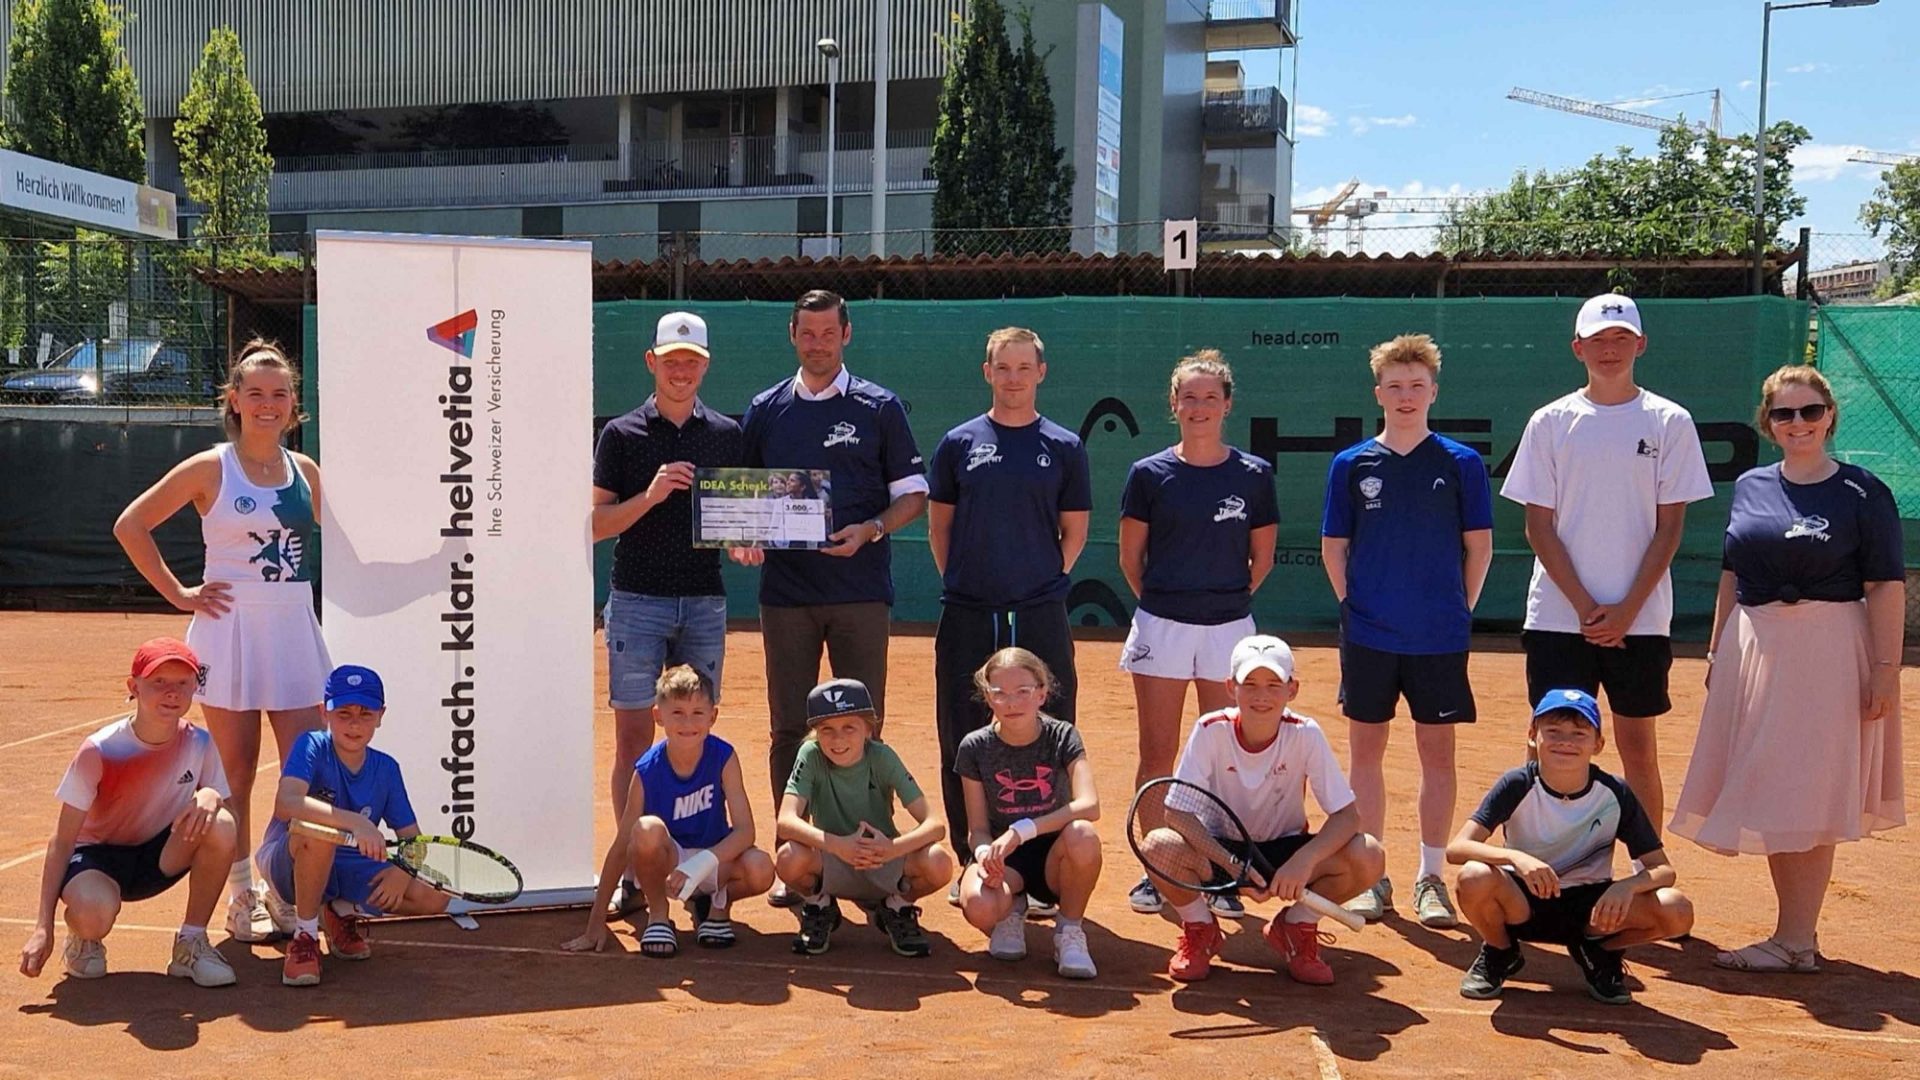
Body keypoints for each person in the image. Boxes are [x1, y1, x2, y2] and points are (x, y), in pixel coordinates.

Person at [1670, 366, 1905, 973]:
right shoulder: (1749, 485)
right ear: (1767, 423)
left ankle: (1797, 937)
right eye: (1783, 413)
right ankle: (1795, 938)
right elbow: (1731, 574)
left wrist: (1885, 669)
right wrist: (1719, 650)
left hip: (1828, 649)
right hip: (1754, 647)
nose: (1797, 423)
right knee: (1777, 784)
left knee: (1809, 790)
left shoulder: (1863, 491)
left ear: (1829, 415)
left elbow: (1884, 586)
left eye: (1808, 411)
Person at [113, 339, 330, 943]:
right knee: (234, 771)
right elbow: (131, 525)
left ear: (294, 405)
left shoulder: (305, 471)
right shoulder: (211, 466)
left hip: (292, 628)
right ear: (234, 401)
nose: (268, 404)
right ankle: (241, 897)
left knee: (306, 769)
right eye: (255, 394)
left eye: (279, 394)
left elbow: (355, 536)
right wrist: (181, 594)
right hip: (228, 631)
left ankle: (285, 886)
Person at [1499, 294, 1713, 849]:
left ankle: (1649, 871)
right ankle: (1533, 863)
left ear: (1640, 344)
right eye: (1597, 340)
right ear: (1578, 349)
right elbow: (1538, 528)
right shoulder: (1550, 422)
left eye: (1620, 339)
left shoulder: (1670, 421)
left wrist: (1625, 610)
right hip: (1557, 617)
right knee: (1548, 741)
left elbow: (1670, 529)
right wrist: (1587, 607)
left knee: (1638, 745)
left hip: (1639, 620)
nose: (1609, 349)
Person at [737, 290, 929, 906]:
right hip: (786, 596)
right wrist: (744, 540)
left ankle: (869, 853)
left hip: (860, 594)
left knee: (860, 727)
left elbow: (913, 495)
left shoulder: (880, 408)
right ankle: (801, 861)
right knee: (789, 728)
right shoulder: (765, 410)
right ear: (792, 335)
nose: (817, 343)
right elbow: (744, 503)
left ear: (846, 334)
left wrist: (871, 528)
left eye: (828, 333)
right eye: (806, 333)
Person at [1321, 334, 1493, 928]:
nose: (1405, 396)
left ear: (1433, 392)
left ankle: (1431, 876)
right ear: (1379, 393)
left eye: (1416, 385)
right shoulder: (1351, 465)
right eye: (1395, 386)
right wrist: (1356, 608)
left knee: (1435, 756)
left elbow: (1479, 547)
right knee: (1365, 756)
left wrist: (1455, 610)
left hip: (1439, 638)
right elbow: (1333, 547)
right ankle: (1375, 875)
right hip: (1369, 636)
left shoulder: (1461, 463)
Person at [928, 327, 1091, 907]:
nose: (1014, 377)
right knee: (963, 729)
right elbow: (940, 529)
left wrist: (1037, 582)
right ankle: (976, 861)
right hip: (969, 610)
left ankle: (1044, 869)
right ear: (987, 371)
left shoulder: (1065, 447)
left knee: (1049, 729)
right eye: (1004, 367)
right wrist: (970, 582)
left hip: (1040, 610)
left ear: (1041, 373)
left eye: (1025, 367)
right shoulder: (958, 443)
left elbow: (1073, 532)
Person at [591, 312, 743, 920]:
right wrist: (650, 495)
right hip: (637, 600)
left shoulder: (728, 434)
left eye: (692, 361)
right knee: (635, 738)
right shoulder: (621, 435)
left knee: (694, 731)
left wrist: (745, 543)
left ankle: (701, 870)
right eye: (670, 359)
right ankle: (635, 866)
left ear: (705, 366)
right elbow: (597, 526)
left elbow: (737, 522)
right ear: (652, 362)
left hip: (704, 599)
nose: (681, 370)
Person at [1119, 350, 1278, 916]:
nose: (1200, 406)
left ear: (1228, 404)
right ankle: (1158, 868)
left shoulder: (1254, 475)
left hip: (1229, 628)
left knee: (1220, 753)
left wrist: (1220, 605)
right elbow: (1130, 559)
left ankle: (1217, 872)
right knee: (1158, 751)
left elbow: (1262, 559)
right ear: (1173, 404)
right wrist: (1170, 605)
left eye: (1211, 397)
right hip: (1160, 624)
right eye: (1190, 396)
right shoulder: (1149, 474)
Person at [1136, 635, 1384, 985]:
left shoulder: (1305, 734)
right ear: (1230, 687)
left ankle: (1297, 925)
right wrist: (1231, 864)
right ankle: (1200, 927)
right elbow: (1176, 814)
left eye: (1273, 684)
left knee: (1369, 854)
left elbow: (1348, 816)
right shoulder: (1210, 730)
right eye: (1249, 684)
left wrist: (1304, 862)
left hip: (1284, 853)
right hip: (1222, 851)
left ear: (1292, 689)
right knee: (1158, 846)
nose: (1261, 696)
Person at [1448, 689, 1694, 1004]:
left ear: (1598, 744)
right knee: (1473, 877)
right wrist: (1516, 858)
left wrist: (1627, 887)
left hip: (1592, 907)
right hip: (1523, 899)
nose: (1566, 741)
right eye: (1554, 731)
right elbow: (1458, 848)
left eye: (1579, 733)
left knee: (1676, 910)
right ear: (1533, 736)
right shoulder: (1517, 784)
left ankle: (1599, 951)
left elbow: (1663, 869)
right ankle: (1500, 951)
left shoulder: (1614, 792)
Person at [18, 638, 239, 987]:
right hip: (96, 860)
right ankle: (84, 938)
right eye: (158, 683)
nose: (172, 693)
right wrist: (42, 928)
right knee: (93, 913)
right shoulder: (100, 750)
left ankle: (190, 944)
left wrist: (211, 794)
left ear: (196, 687)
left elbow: (222, 822)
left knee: (223, 823)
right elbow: (61, 841)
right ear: (133, 687)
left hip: (160, 855)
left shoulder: (200, 743)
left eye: (183, 683)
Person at [564, 666, 774, 958]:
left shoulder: (724, 757)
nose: (688, 722)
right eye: (677, 713)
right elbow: (621, 846)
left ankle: (718, 906)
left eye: (698, 713)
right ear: (658, 716)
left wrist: (702, 862)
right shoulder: (647, 769)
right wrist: (595, 924)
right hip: (668, 865)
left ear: (713, 716)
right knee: (645, 830)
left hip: (713, 861)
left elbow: (745, 831)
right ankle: (659, 914)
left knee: (761, 868)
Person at [261, 665, 448, 986]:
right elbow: (286, 803)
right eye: (344, 712)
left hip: (345, 864)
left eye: (365, 713)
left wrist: (402, 872)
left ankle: (341, 910)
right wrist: (355, 822)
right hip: (288, 860)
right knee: (319, 833)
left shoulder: (386, 768)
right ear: (324, 713)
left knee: (434, 895)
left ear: (381, 715)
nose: (354, 723)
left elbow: (413, 840)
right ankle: (305, 937)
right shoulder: (311, 746)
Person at [775, 678, 952, 957]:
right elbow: (786, 821)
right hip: (833, 860)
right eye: (827, 730)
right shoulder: (809, 755)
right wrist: (838, 845)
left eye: (849, 727)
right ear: (815, 733)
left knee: (938, 862)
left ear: (869, 729)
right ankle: (819, 904)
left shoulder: (882, 757)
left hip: (884, 859)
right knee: (788, 857)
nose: (838, 739)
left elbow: (935, 824)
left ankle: (897, 906)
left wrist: (891, 849)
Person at [955, 648, 1102, 979]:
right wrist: (984, 857)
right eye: (1000, 693)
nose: (1012, 703)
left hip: (1056, 856)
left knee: (1083, 835)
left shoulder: (1063, 735)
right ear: (988, 698)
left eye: (1023, 692)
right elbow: (977, 828)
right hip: (1005, 861)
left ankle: (1068, 931)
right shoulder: (974, 747)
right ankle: (1012, 908)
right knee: (979, 907)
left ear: (1042, 694)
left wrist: (1021, 830)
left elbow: (1090, 805)